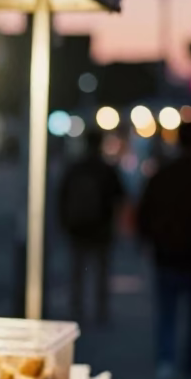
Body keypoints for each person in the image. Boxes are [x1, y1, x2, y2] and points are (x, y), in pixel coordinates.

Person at [137, 118, 191, 379]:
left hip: (166, 257)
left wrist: (149, 242)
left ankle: (166, 369)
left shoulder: (163, 175)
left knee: (167, 316)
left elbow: (145, 213)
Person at [58, 129, 125, 324]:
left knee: (78, 271)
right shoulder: (106, 169)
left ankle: (76, 308)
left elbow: (62, 196)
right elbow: (120, 197)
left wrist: (65, 223)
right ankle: (101, 311)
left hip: (78, 227)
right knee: (101, 273)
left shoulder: (76, 168)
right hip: (102, 229)